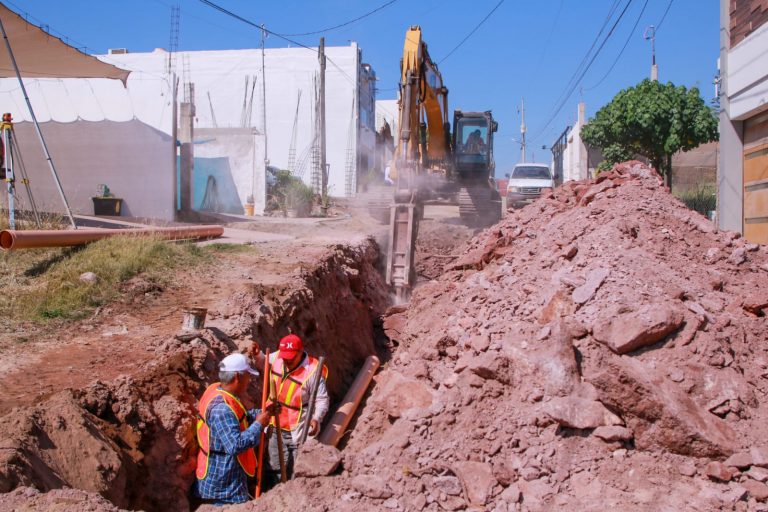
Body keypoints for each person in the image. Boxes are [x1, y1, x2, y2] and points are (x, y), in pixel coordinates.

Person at [193, 353, 277, 506]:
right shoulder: (222, 409)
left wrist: (263, 413)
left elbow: (239, 418)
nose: (249, 381)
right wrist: (258, 425)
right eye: (248, 376)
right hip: (223, 481)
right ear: (237, 377)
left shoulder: (219, 391)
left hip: (226, 475)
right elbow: (235, 445)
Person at [252, 334, 329, 488]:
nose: (286, 362)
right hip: (275, 423)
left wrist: (316, 418)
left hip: (299, 426)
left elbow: (322, 399)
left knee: (297, 467)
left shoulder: (313, 371)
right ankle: (275, 493)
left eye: (291, 359)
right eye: (284, 358)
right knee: (275, 466)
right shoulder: (279, 357)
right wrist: (257, 354)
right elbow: (264, 363)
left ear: (300, 352)